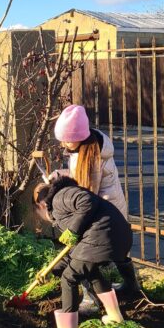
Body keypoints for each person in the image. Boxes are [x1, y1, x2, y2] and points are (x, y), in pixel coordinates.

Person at [52, 104, 140, 311]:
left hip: (103, 212)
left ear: (78, 136)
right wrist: (61, 175)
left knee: (83, 256)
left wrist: (76, 229)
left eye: (66, 139)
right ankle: (131, 285)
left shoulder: (90, 158)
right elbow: (80, 181)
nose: (63, 143)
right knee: (118, 252)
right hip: (110, 208)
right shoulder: (91, 144)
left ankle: (90, 300)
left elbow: (86, 194)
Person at [33, 175, 131, 328]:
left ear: (41, 205)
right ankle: (115, 317)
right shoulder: (64, 202)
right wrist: (51, 269)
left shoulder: (61, 197)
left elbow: (86, 201)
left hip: (103, 237)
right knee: (90, 271)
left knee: (69, 278)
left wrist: (72, 230)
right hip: (114, 237)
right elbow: (77, 251)